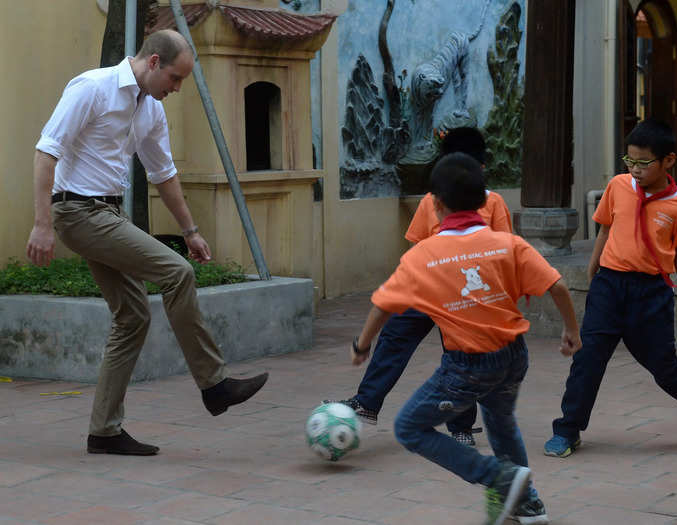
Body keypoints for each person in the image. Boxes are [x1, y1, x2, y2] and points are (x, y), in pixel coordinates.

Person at [26, 29, 268, 456]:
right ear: (153, 62)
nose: (177, 88)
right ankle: (214, 385)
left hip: (107, 212)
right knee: (177, 273)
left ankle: (104, 431)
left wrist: (191, 231)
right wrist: (42, 224)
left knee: (133, 316)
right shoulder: (93, 88)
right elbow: (47, 151)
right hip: (76, 211)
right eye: (175, 78)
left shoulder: (150, 110)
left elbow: (164, 174)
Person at [351, 152, 581, 525]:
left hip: (468, 365)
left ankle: (497, 477)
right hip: (512, 357)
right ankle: (528, 503)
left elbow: (381, 305)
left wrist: (362, 346)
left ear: (436, 204)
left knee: (409, 427)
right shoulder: (508, 244)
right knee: (502, 423)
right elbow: (557, 285)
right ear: (484, 201)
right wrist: (571, 330)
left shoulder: (423, 256)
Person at [327, 128, 511, 447]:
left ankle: (461, 427)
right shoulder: (432, 202)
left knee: (460, 357)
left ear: (480, 168)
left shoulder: (493, 203)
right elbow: (415, 248)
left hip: (467, 296)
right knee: (396, 336)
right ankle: (368, 402)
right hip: (427, 289)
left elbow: (503, 253)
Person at [545, 118, 677, 458]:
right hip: (610, 285)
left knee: (665, 368)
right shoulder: (618, 186)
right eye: (629, 161)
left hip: (651, 294)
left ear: (668, 161)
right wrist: (593, 267)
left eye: (644, 163)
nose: (635, 169)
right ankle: (568, 429)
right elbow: (604, 230)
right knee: (588, 358)